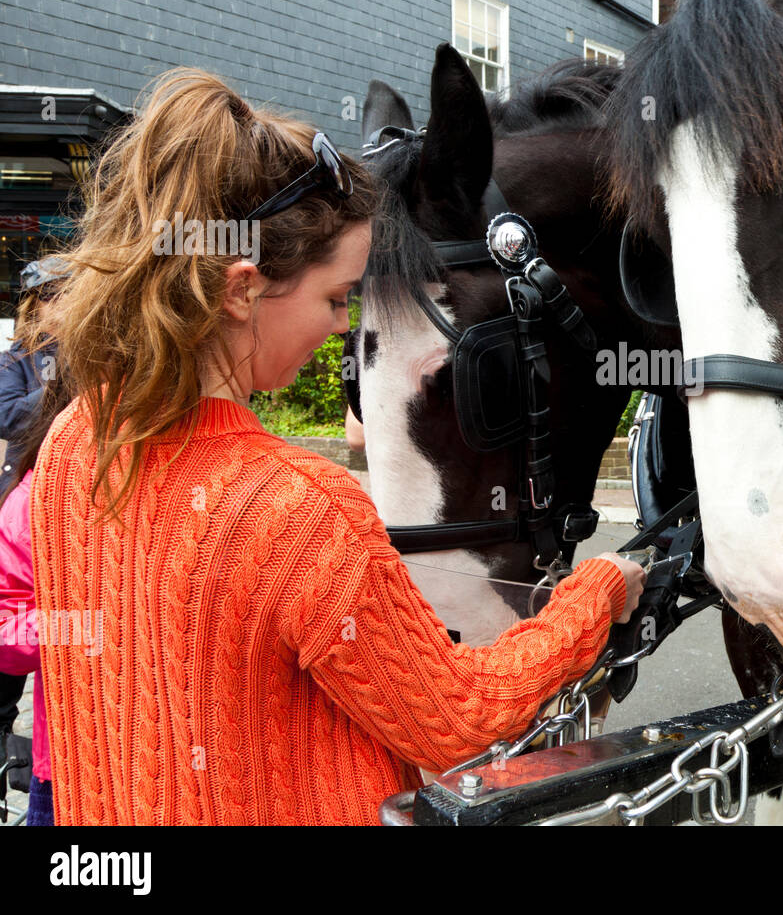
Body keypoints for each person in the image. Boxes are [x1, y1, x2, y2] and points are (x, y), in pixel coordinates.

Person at [28, 67, 644, 825]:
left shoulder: (71, 442)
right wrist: (596, 592)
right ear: (241, 288)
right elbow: (461, 716)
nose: (335, 333)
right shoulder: (298, 508)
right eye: (334, 298)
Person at [0, 256, 67, 803]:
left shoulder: (99, 351)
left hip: (76, 502)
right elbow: (10, 418)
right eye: (53, 294)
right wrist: (63, 380)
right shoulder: (16, 359)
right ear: (36, 304)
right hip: (23, 501)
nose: (62, 302)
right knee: (13, 645)